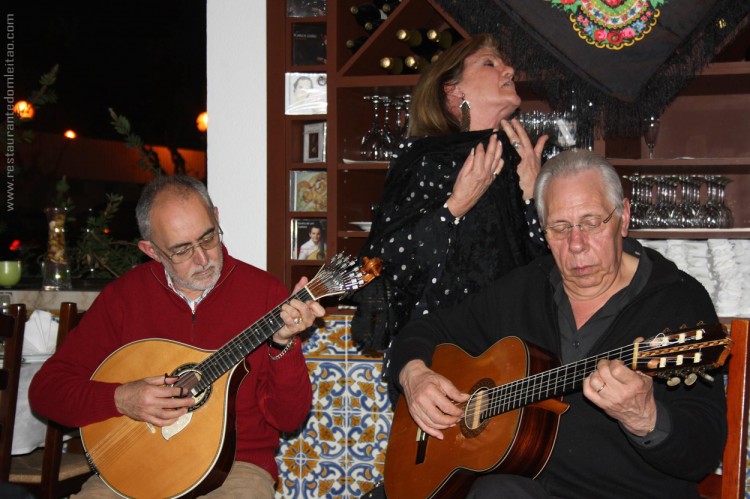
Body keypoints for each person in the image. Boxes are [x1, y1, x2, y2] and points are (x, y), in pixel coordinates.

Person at [389, 150, 727, 498]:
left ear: (623, 217)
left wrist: (645, 417)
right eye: (560, 228)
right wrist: (414, 375)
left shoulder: (678, 301)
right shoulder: (523, 288)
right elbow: (424, 331)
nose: (576, 244)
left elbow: (701, 454)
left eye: (592, 222)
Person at [28, 175, 325, 498]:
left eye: (208, 238)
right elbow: (46, 392)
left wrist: (283, 345)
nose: (203, 259)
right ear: (151, 250)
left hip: (235, 470)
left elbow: (289, 418)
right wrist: (120, 398)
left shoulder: (266, 294)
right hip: (134, 468)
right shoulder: (123, 298)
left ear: (216, 217)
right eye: (182, 250)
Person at [351, 34, 548, 391]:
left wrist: (534, 196)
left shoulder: (523, 163)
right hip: (436, 364)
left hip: (516, 362)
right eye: (490, 63)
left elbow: (549, 270)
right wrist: (453, 207)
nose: (509, 69)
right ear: (454, 91)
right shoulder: (425, 162)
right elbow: (381, 267)